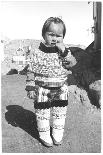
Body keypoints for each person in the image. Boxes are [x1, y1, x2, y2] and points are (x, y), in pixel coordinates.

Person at [25, 17, 77, 147]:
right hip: (42, 89)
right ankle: (44, 134)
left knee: (60, 113)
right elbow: (31, 70)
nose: (55, 38)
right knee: (42, 114)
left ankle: (57, 134)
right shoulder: (37, 52)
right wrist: (30, 87)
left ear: (63, 37)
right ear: (44, 35)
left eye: (59, 36)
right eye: (51, 34)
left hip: (61, 89)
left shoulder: (64, 52)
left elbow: (72, 64)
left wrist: (65, 53)